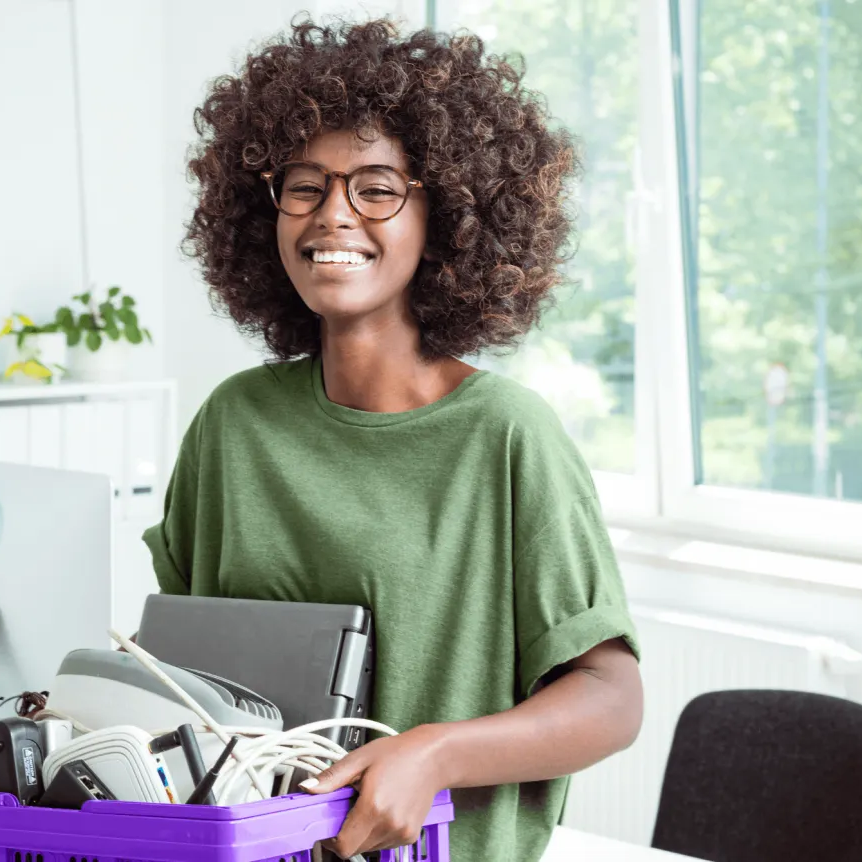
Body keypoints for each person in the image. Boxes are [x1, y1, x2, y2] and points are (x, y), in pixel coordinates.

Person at [143, 18, 643, 862]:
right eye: (304, 186)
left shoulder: (506, 437)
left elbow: (611, 697)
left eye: (376, 188)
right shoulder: (233, 425)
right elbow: (177, 678)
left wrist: (435, 752)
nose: (332, 214)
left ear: (442, 215)